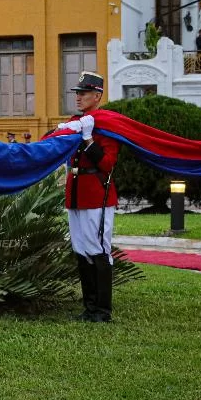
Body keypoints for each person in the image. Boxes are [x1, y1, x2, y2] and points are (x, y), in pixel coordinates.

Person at [56, 71, 119, 323]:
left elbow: (107, 163)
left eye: (84, 93)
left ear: (98, 95)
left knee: (98, 250)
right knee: (81, 250)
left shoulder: (107, 126)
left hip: (96, 193)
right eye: (77, 93)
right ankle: (89, 307)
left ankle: (103, 311)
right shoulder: (76, 121)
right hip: (76, 192)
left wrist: (89, 139)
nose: (79, 97)